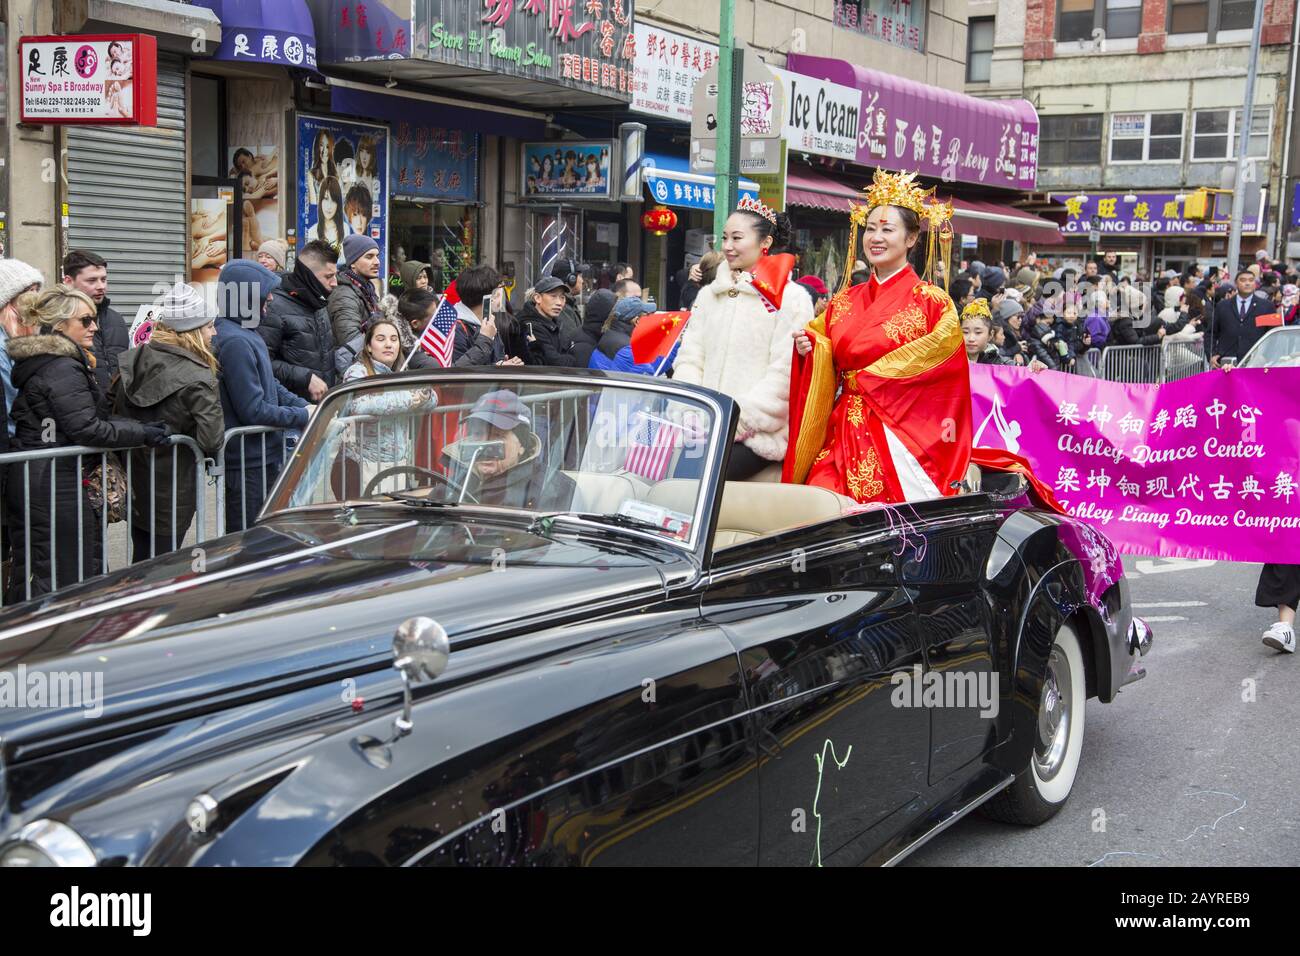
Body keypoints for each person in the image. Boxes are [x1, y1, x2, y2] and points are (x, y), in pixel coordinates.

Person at [787, 169, 969, 502]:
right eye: (870, 228)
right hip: (843, 429)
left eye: (887, 229)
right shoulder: (844, 301)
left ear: (911, 238)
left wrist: (878, 381)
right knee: (818, 503)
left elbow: (946, 376)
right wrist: (810, 348)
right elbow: (822, 346)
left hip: (901, 432)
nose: (876, 237)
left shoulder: (933, 303)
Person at [4, 286, 165, 600]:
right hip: (54, 482)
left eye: (94, 319)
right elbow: (87, 429)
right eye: (86, 320)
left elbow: (84, 419)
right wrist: (142, 434)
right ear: (60, 326)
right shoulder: (61, 366)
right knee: (64, 577)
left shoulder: (55, 362)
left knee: (52, 569)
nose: (95, 326)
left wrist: (138, 426)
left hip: (47, 479)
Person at [676, 197, 812, 481]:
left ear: (766, 242)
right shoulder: (709, 295)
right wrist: (695, 412)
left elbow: (783, 376)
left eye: (737, 238)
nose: (727, 246)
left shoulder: (791, 299)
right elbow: (690, 358)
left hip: (759, 435)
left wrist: (736, 420)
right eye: (725, 237)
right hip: (703, 426)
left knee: (701, 480)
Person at [113, 283, 224, 562]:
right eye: (209, 326)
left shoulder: (136, 357)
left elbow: (113, 408)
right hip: (175, 483)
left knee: (142, 556)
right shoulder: (198, 376)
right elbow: (212, 438)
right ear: (194, 331)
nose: (214, 333)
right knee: (163, 563)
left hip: (136, 475)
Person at [213, 259, 311, 533]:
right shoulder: (234, 341)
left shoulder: (246, 333)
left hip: (262, 457)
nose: (270, 298)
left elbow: (272, 386)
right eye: (263, 293)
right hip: (247, 464)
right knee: (248, 541)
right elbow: (253, 409)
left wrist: (307, 407)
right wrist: (303, 415)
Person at [332, 318, 432, 499]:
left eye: (394, 339)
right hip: (361, 467)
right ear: (369, 346)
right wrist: (410, 399)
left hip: (397, 466)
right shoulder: (357, 371)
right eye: (381, 339)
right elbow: (360, 404)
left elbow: (432, 397)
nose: (389, 344)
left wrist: (417, 397)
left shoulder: (402, 374)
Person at [441, 389, 579, 512]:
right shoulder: (453, 486)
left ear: (522, 445)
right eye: (478, 434)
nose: (485, 445)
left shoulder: (552, 490)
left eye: (497, 435)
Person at [260, 239, 339, 401]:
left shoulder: (318, 301)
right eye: (329, 276)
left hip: (319, 408)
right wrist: (305, 377)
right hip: (291, 411)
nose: (335, 283)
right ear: (308, 275)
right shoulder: (273, 306)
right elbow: (260, 361)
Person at [62, 249, 130, 395]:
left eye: (103, 279)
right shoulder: (58, 323)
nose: (101, 286)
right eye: (92, 280)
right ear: (68, 281)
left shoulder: (116, 319)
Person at [0, 259, 45, 449]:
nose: (34, 297)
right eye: (28, 291)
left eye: (36, 289)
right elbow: (10, 400)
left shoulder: (21, 337)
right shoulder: (3, 345)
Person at [451, 264, 518, 368]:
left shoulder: (488, 322)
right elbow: (456, 373)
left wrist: (500, 365)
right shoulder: (455, 328)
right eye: (500, 289)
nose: (502, 294)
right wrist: (485, 338)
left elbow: (486, 365)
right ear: (490, 297)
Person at [330, 234, 384, 348]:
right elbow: (351, 342)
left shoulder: (366, 289)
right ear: (353, 263)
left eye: (377, 256)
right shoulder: (344, 294)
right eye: (369, 257)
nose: (377, 262)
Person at [589, 295, 662, 375]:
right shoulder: (628, 351)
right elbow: (650, 375)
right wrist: (674, 348)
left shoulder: (610, 336)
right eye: (647, 315)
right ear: (637, 321)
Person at [1211, 269, 1270, 366]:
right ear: (1236, 283)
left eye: (1251, 280)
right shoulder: (1223, 306)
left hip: (1256, 361)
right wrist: (1212, 354)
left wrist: (1267, 356)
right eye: (1243, 280)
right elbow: (1211, 332)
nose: (1247, 283)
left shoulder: (1266, 306)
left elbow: (1272, 333)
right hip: (1226, 361)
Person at [521, 277, 581, 367]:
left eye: (562, 297)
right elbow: (557, 363)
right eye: (553, 296)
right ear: (538, 298)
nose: (559, 303)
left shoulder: (554, 323)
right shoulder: (531, 326)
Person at [961, 299, 1014, 365]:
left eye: (978, 332)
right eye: (965, 332)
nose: (971, 338)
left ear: (990, 335)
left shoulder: (1003, 365)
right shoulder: (950, 363)